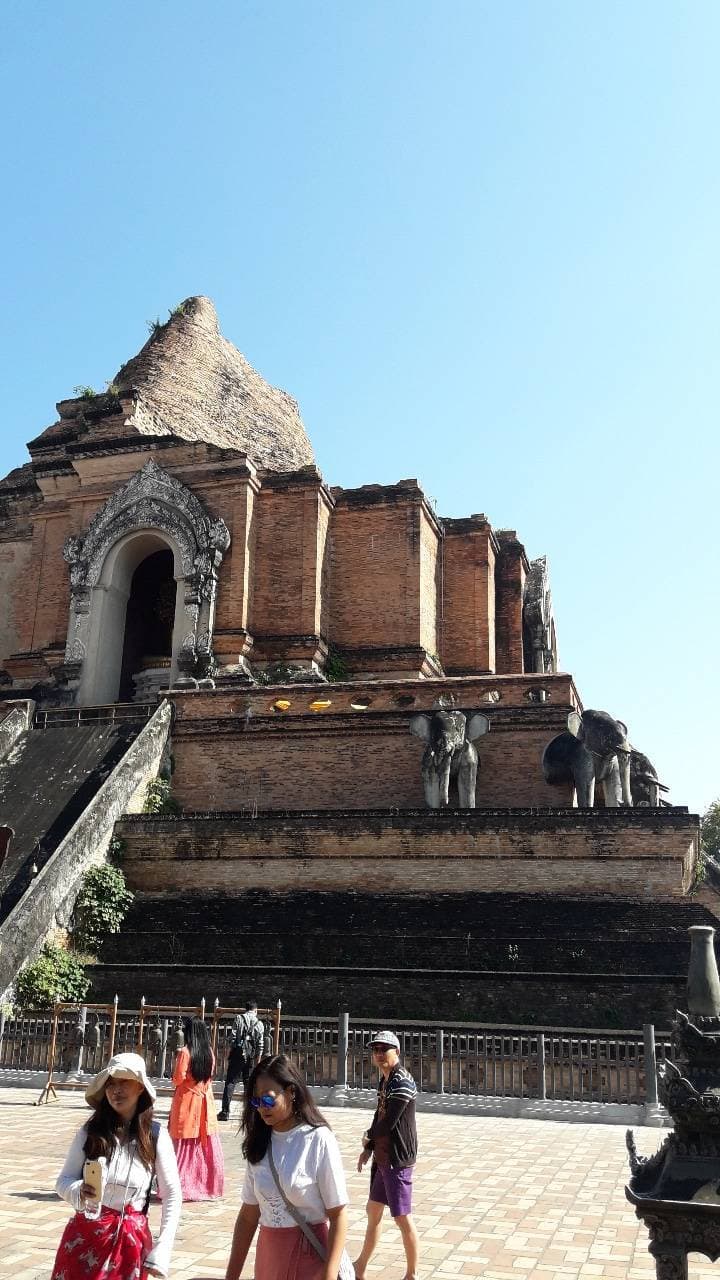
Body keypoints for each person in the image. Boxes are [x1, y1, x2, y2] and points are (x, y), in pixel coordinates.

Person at [52, 1051, 181, 1280]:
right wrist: (78, 1191)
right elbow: (63, 1181)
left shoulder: (155, 1136)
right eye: (110, 1084)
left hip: (130, 1244)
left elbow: (172, 1194)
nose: (115, 1090)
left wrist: (164, 1245)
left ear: (140, 1087)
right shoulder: (90, 1133)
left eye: (124, 1083)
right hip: (85, 1238)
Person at [223, 1053, 348, 1280]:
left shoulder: (317, 1139)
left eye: (268, 1099)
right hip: (269, 1258)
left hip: (311, 1260)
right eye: (256, 1101)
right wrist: (231, 1275)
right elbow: (249, 1216)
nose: (262, 1108)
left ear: (291, 1092)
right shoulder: (259, 1143)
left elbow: (339, 1214)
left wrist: (329, 1275)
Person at [354, 1030, 419, 1280]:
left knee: (402, 1217)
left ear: (397, 1052)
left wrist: (369, 1136)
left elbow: (389, 1122)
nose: (379, 1054)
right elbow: (379, 1114)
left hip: (397, 1158)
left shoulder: (402, 1080)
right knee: (373, 1210)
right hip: (383, 1156)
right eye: (376, 1050)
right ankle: (360, 1266)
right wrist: (368, 1148)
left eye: (385, 1049)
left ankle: (412, 1274)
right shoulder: (386, 1079)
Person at [169, 1015, 225, 1200]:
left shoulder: (185, 1052)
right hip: (205, 1100)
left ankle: (181, 1184)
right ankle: (205, 1185)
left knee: (184, 1141)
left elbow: (178, 1078)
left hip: (187, 1099)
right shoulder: (209, 1051)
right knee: (203, 1142)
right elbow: (209, 1076)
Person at [218, 999, 265, 1121]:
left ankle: (225, 1112)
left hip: (237, 1055)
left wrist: (229, 1052)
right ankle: (250, 1114)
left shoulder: (239, 1018)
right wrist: (257, 1061)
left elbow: (232, 1037)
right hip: (250, 1056)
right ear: (255, 1010)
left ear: (246, 1009)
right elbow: (260, 1045)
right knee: (249, 1085)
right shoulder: (259, 1024)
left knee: (231, 1082)